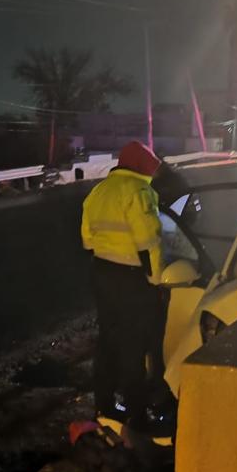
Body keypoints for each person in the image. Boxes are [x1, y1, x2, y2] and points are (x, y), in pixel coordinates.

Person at [81, 141, 166, 430]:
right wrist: (157, 281)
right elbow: (150, 243)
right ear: (143, 167)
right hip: (132, 279)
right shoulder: (139, 192)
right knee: (134, 346)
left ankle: (104, 405)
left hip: (102, 273)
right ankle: (137, 414)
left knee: (108, 340)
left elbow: (87, 240)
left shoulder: (99, 191)